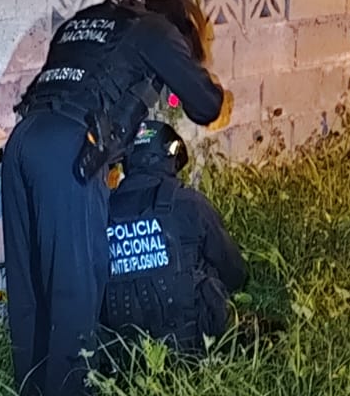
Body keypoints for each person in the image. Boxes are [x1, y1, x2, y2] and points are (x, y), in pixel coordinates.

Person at [2, 0, 226, 396]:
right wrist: (199, 77)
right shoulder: (158, 32)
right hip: (69, 151)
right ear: (182, 30)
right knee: (76, 287)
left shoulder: (92, 21)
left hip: (22, 143)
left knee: (30, 286)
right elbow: (205, 105)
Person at [102, 120, 247, 357]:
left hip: (123, 355)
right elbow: (234, 272)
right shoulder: (189, 203)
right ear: (169, 156)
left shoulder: (100, 210)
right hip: (191, 346)